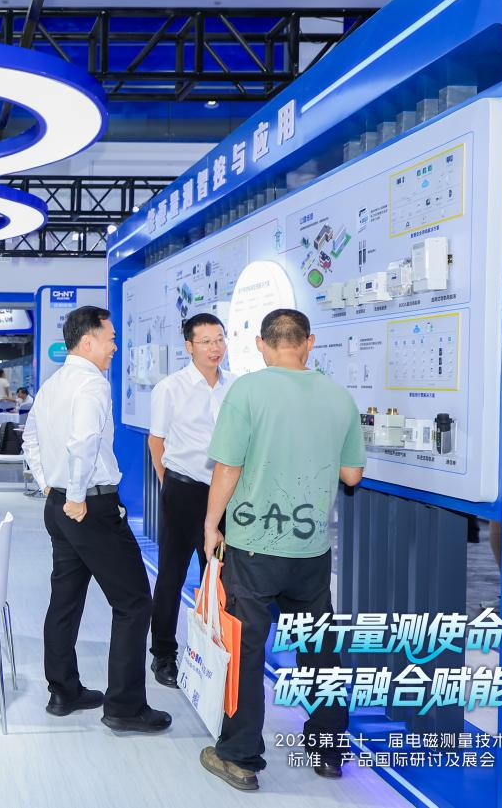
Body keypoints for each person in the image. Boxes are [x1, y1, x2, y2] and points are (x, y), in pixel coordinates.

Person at [198, 308, 363, 790]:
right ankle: (329, 749)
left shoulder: (247, 391)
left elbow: (227, 468)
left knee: (246, 649)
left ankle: (240, 757)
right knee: (319, 649)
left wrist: (211, 524)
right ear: (308, 343)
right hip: (310, 548)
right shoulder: (339, 396)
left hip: (253, 545)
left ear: (261, 344)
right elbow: (352, 475)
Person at [23, 306, 171, 734]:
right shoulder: (92, 383)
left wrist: (49, 485)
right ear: (87, 341)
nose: (115, 347)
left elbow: (30, 438)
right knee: (133, 602)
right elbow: (84, 441)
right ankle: (125, 707)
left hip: (62, 507)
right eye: (110, 338)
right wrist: (74, 495)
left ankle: (64, 691)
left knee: (65, 600)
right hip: (88, 506)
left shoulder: (53, 384)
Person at [146, 313, 234, 688]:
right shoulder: (170, 388)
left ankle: (217, 653)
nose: (215, 348)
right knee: (173, 574)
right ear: (189, 346)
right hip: (184, 489)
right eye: (206, 341)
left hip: (225, 492)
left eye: (220, 339)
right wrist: (170, 486)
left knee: (221, 574)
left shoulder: (235, 386)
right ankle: (164, 654)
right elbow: (157, 442)